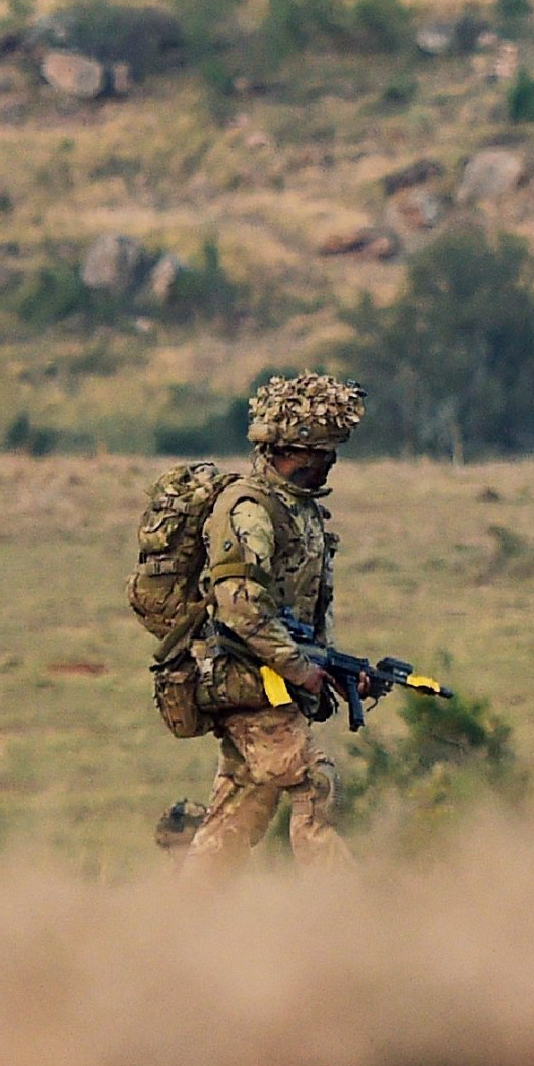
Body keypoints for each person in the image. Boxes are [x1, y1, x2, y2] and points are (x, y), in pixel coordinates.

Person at [178, 371, 369, 874]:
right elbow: (240, 604)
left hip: (272, 682)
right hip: (244, 678)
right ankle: (346, 912)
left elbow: (303, 610)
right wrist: (299, 667)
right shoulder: (250, 509)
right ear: (289, 449)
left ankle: (176, 919)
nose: (328, 464)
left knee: (238, 814)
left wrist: (332, 669)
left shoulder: (300, 509)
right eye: (319, 454)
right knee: (315, 781)